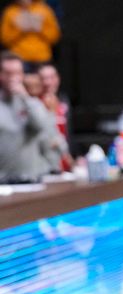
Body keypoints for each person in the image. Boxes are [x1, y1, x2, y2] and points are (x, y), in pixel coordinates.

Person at [0, 51, 50, 180]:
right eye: (8, 73)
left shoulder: (32, 103)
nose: (13, 78)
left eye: (17, 73)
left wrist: (25, 98)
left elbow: (41, 127)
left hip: (30, 179)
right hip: (3, 182)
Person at [0, 0, 60, 68]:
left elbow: (55, 37)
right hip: (19, 57)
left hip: (42, 57)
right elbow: (4, 39)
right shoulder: (10, 12)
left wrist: (40, 29)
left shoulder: (44, 10)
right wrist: (19, 30)